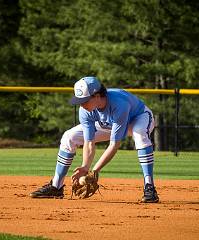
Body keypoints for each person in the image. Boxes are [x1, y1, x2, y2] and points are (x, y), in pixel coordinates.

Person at [30, 76, 159, 203]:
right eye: (80, 101)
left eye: (85, 100)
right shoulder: (85, 110)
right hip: (108, 123)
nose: (82, 104)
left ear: (97, 96)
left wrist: (95, 170)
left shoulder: (119, 104)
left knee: (140, 134)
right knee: (69, 137)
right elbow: (89, 142)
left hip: (137, 118)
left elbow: (114, 145)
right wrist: (85, 167)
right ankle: (56, 187)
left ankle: (149, 187)